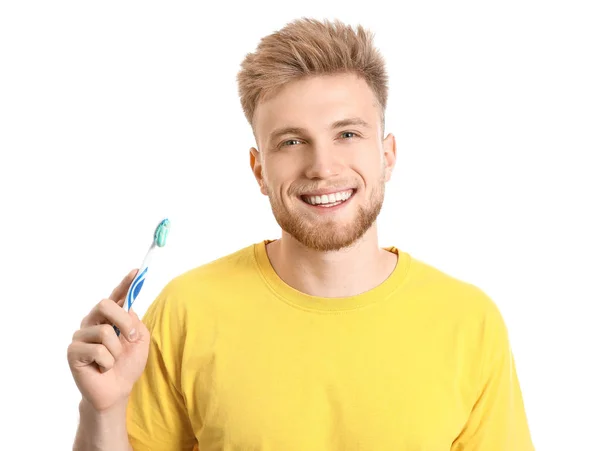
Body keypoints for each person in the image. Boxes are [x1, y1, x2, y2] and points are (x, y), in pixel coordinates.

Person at [68, 17, 534, 450]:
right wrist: (102, 409)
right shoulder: (186, 310)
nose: (322, 166)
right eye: (292, 141)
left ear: (387, 156)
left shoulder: (469, 323)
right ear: (259, 171)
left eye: (347, 134)